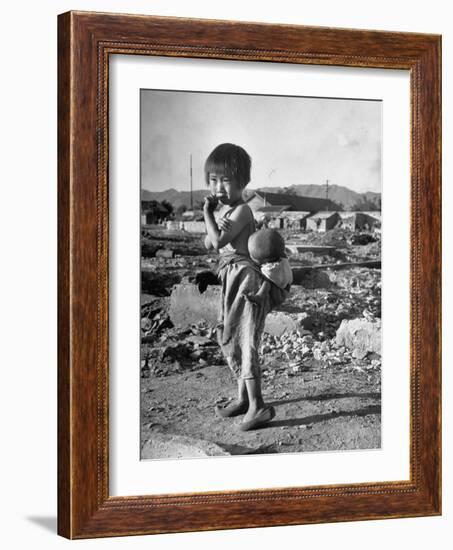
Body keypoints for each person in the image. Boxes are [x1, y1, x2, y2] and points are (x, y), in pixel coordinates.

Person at [202, 143, 287, 431]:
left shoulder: (241, 212)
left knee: (244, 340)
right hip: (231, 279)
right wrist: (213, 218)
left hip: (246, 282)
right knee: (229, 337)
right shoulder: (227, 211)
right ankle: (242, 399)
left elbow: (216, 242)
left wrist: (207, 214)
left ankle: (258, 405)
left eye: (226, 180)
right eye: (213, 180)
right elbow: (207, 242)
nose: (219, 187)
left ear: (243, 182)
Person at [244, 229, 292, 308]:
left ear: (264, 260)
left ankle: (259, 296)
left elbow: (266, 277)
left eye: (252, 256)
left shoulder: (270, 269)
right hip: (285, 290)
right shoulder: (283, 260)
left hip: (277, 295)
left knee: (267, 281)